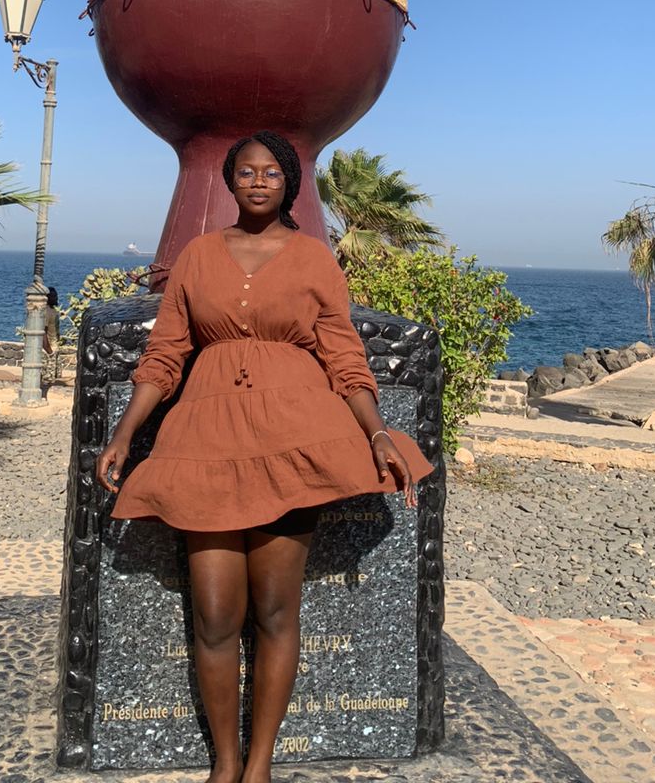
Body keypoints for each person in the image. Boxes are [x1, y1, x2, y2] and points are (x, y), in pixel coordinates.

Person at [96, 131, 433, 783]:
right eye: (247, 171)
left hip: (293, 443)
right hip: (207, 440)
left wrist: (376, 432)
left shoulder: (313, 259)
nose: (258, 181)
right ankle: (224, 764)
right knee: (215, 616)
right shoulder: (197, 256)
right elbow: (166, 353)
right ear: (230, 180)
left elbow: (343, 356)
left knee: (277, 612)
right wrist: (124, 433)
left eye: (271, 172)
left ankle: (259, 767)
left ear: (289, 184)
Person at [41, 286, 60, 382]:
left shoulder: (54, 311)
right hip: (49, 350)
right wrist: (49, 350)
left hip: (54, 347)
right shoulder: (46, 312)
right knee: (47, 379)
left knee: (54, 379)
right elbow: (43, 331)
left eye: (56, 296)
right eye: (53, 296)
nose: (56, 298)